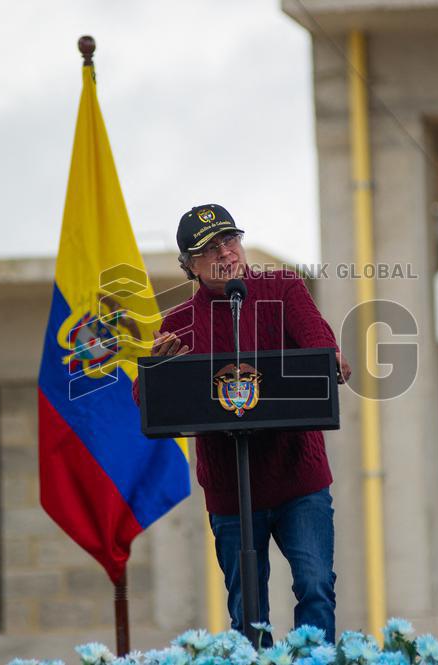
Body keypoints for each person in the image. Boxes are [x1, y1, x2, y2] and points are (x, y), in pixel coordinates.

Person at [136, 203, 350, 642]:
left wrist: (333, 360)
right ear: (189, 266)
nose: (227, 254)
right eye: (210, 249)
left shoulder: (284, 289)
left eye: (230, 240)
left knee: (315, 586)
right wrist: (158, 372)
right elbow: (145, 399)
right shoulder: (177, 324)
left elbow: (318, 342)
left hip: (299, 479)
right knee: (247, 611)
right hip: (232, 490)